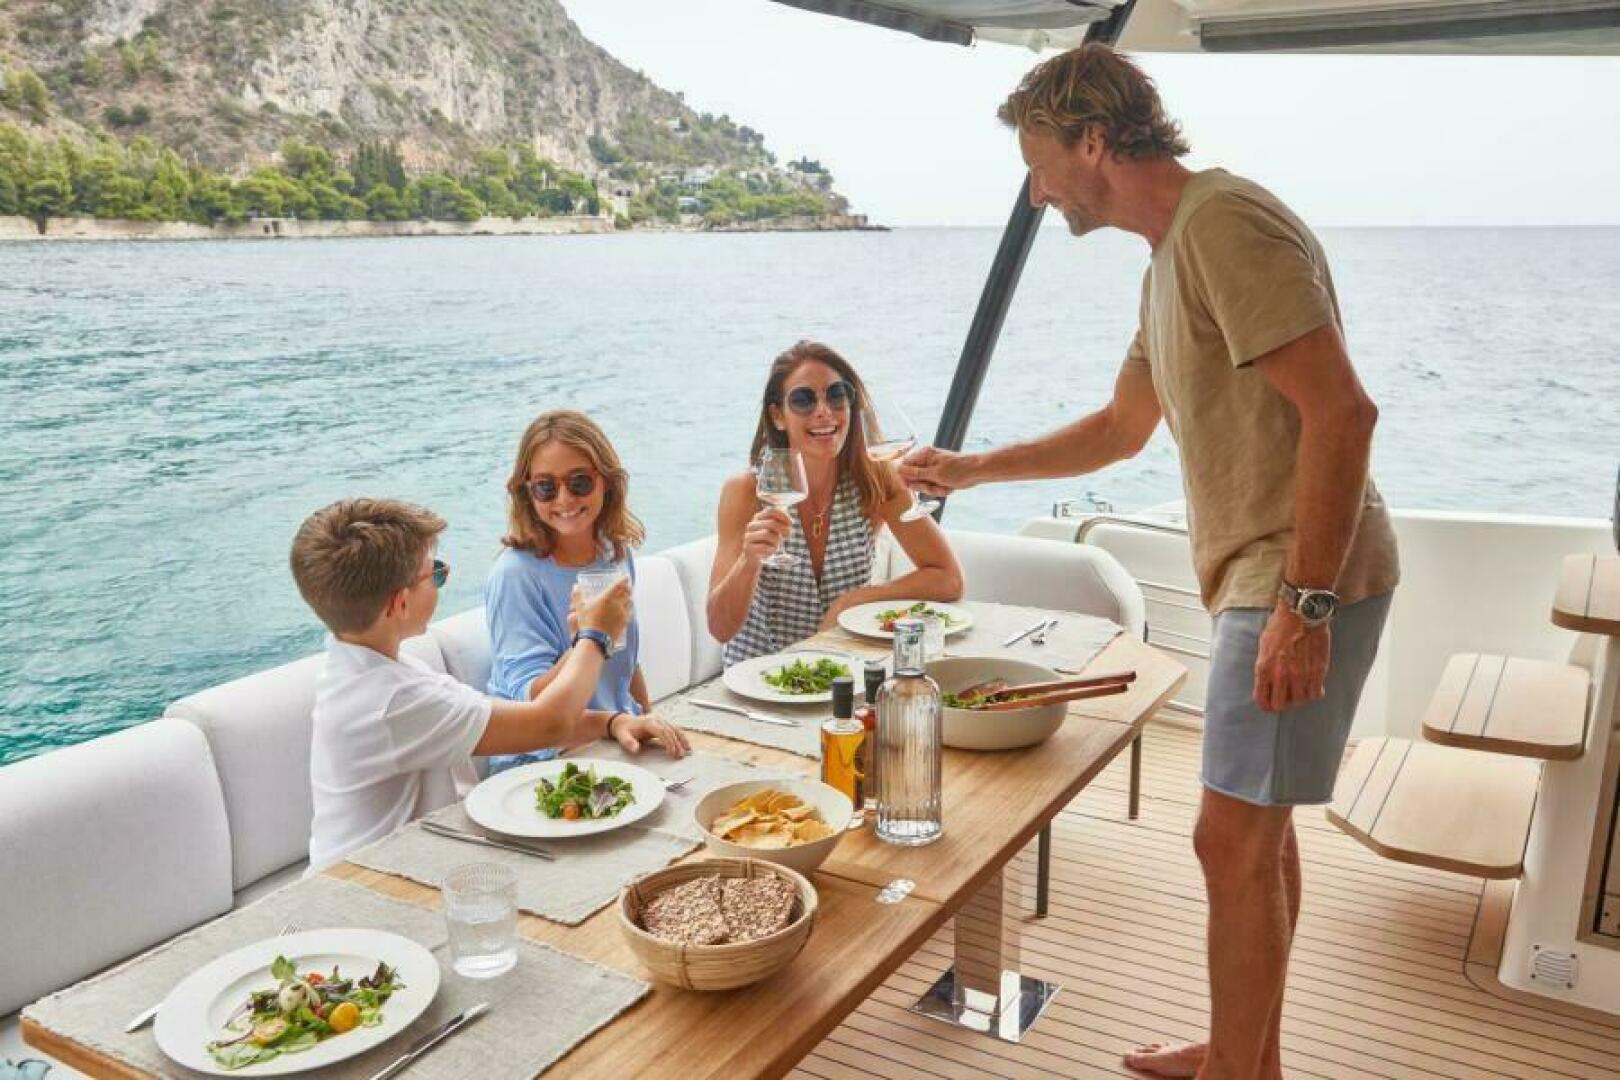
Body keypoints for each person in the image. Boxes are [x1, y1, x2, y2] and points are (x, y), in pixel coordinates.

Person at [901, 45, 1399, 1080]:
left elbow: (1343, 413)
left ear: (1093, 140)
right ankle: (1247, 1053)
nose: (1037, 192)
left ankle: (1237, 1070)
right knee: (1257, 837)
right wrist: (971, 467)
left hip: (1294, 574)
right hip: (1267, 575)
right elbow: (1120, 432)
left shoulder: (1223, 224)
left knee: (1229, 840)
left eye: (1038, 164)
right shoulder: (1168, 259)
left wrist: (1305, 606)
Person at [290, 497, 681, 873]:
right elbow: (548, 724)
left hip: (397, 864)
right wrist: (596, 636)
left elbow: (511, 722)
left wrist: (611, 722)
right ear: (399, 604)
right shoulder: (390, 700)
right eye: (435, 573)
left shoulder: (375, 669)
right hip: (360, 880)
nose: (440, 579)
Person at [708, 340, 963, 665]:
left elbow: (948, 577)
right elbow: (720, 628)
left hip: (840, 674)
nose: (823, 411)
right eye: (803, 400)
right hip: (758, 679)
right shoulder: (747, 491)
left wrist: (853, 601)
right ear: (778, 416)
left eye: (836, 395)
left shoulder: (874, 481)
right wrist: (749, 561)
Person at [484, 410, 688, 773]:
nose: (563, 499)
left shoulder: (613, 552)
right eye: (546, 487)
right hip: (546, 758)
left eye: (579, 482)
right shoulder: (514, 575)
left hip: (617, 734)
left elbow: (627, 662)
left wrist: (649, 718)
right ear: (527, 492)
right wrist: (588, 640)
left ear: (606, 481)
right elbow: (532, 703)